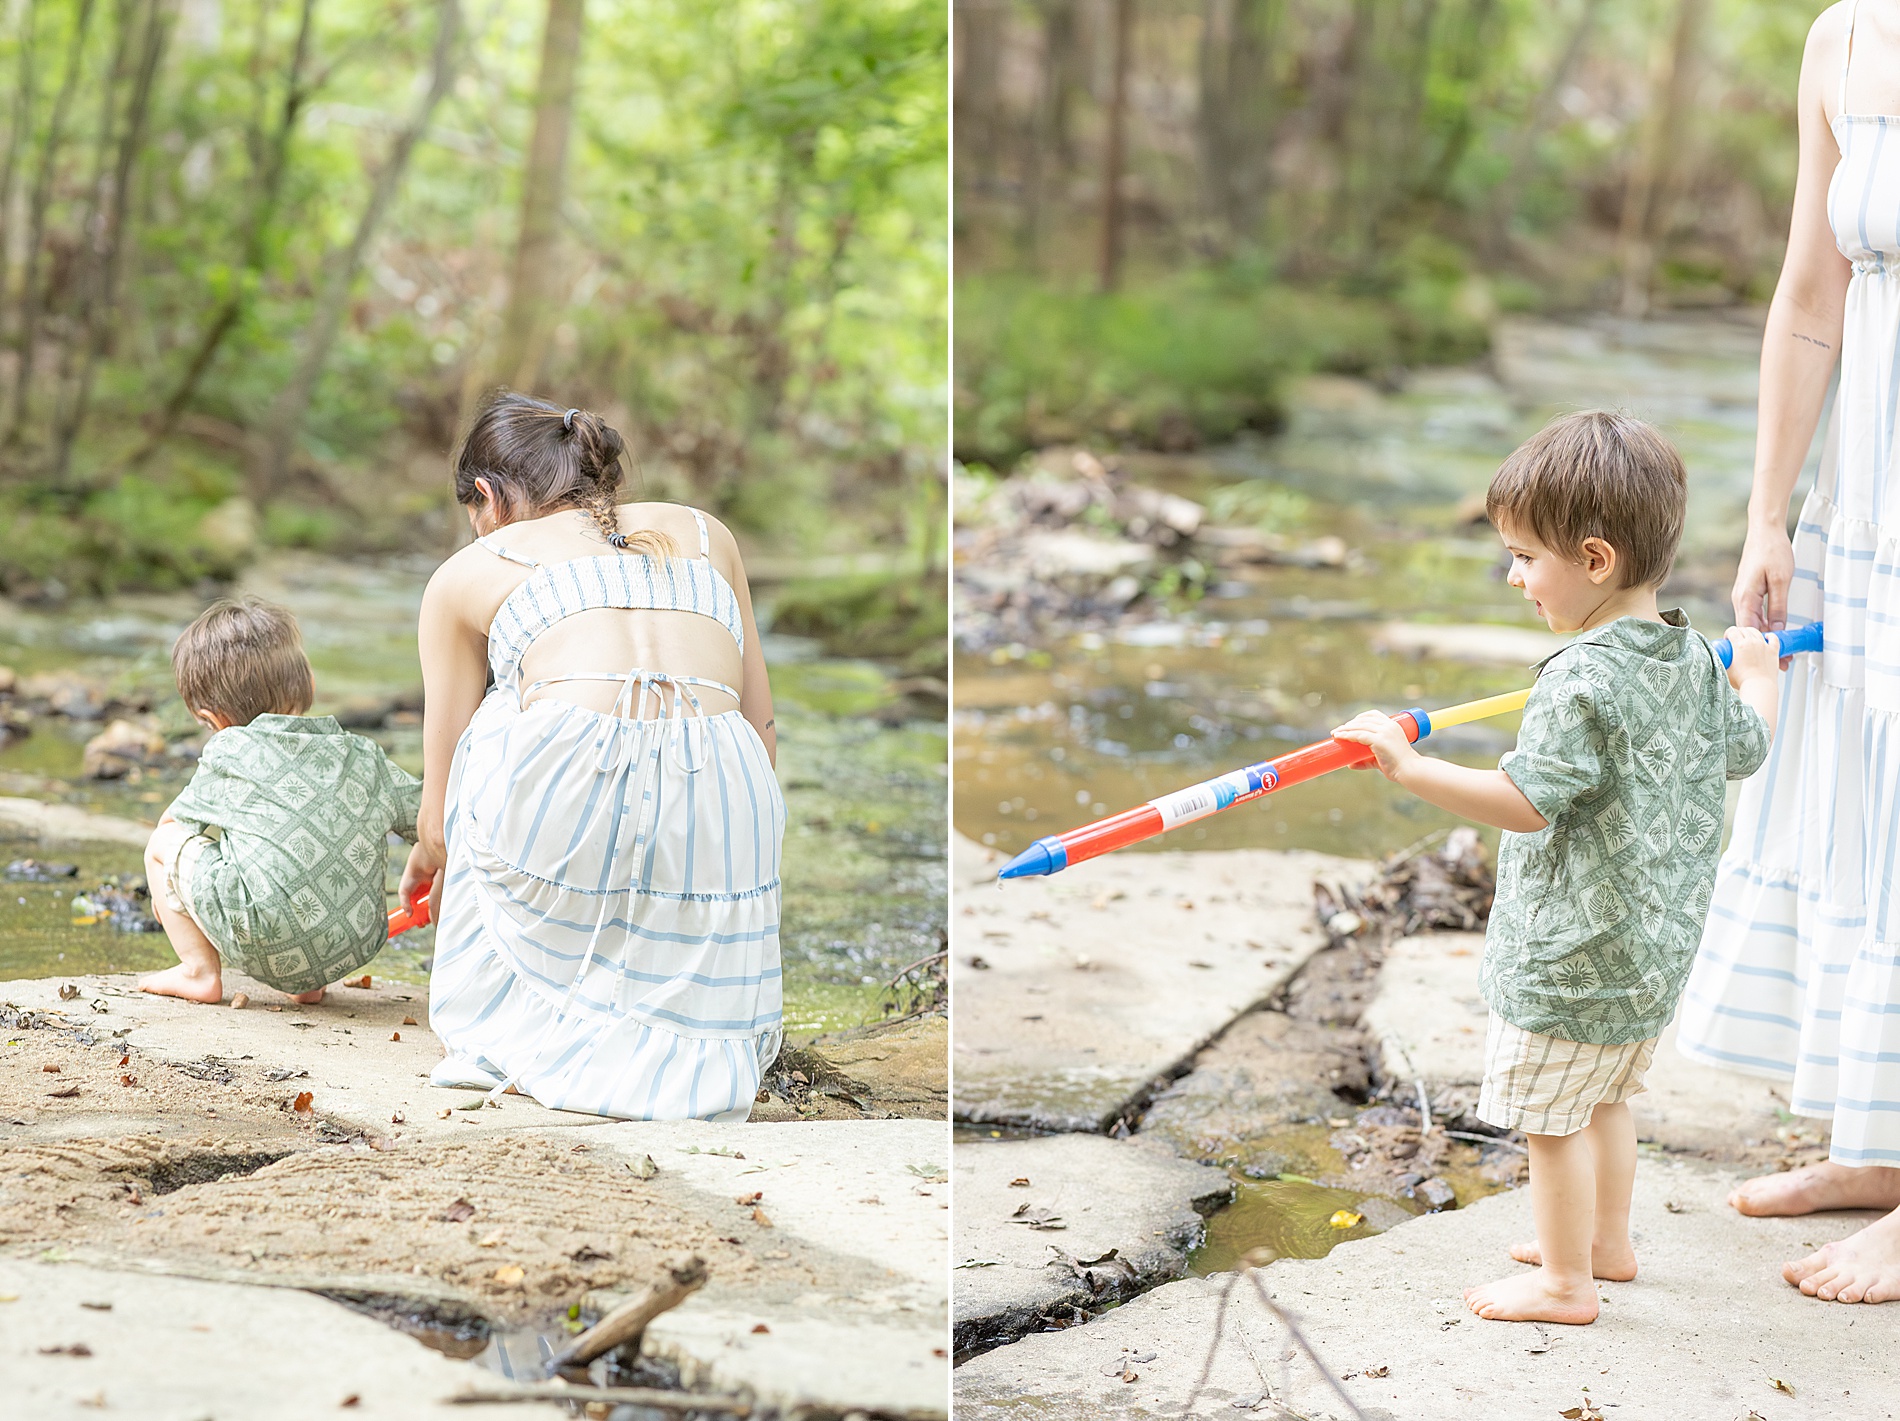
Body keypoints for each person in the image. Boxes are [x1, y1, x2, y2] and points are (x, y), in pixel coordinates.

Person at [1334, 412, 1778, 1324]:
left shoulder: (1576, 677)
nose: (1514, 576)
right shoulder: (1695, 656)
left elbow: (1525, 798)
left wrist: (1409, 766)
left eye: (1526, 558)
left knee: (1552, 1117)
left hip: (1574, 950)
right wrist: (1760, 673)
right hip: (1653, 946)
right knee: (1608, 1093)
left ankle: (1565, 1281)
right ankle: (1604, 1244)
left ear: (1595, 558)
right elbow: (1749, 745)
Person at [1674, 0, 1900, 1307]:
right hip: (1864, 500)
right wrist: (1769, 515)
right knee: (1870, 801)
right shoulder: (1844, 38)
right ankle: (1883, 1142)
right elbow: (1811, 296)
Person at [399, 391, 784, 1121]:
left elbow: (443, 806)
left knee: (506, 708)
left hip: (564, 822)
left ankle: (548, 1017)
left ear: (484, 496)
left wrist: (437, 856)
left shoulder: (468, 570)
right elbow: (760, 729)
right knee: (703, 725)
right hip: (728, 808)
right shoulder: (708, 533)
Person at [141, 597, 422, 1005]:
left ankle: (198, 973)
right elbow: (430, 819)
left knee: (161, 846)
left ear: (213, 719)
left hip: (264, 938)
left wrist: (167, 900)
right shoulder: (362, 754)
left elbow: (175, 828)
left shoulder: (230, 749)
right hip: (356, 942)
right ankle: (309, 985)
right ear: (308, 684)